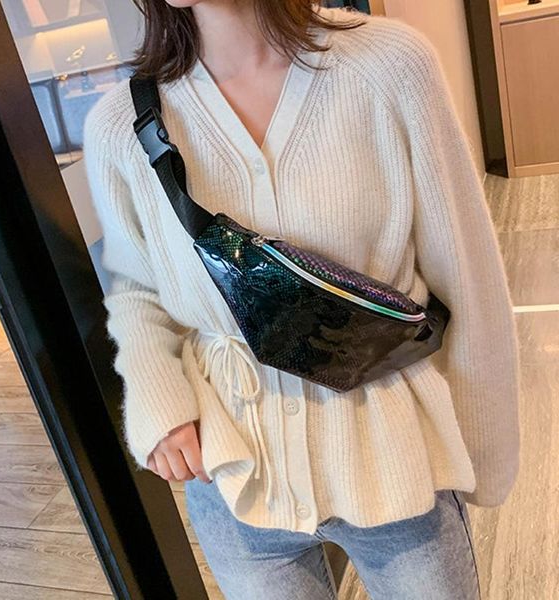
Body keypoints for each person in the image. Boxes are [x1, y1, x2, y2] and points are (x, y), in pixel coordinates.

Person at [83, 2, 521, 598]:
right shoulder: (121, 124)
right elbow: (136, 287)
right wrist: (159, 400)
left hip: (395, 459)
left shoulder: (388, 66)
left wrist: (482, 449)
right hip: (235, 474)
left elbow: (466, 275)